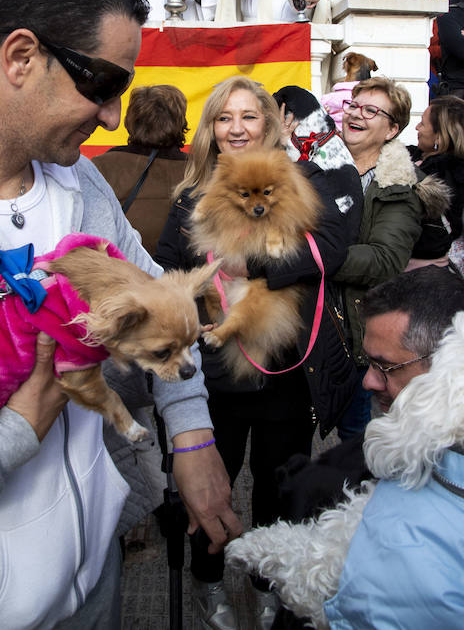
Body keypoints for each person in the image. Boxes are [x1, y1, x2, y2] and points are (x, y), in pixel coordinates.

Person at [0, 0, 240, 629]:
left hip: (93, 585)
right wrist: (14, 434)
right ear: (20, 56)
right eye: (102, 84)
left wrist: (191, 435)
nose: (112, 117)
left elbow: (164, 295)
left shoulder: (81, 184)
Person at [156, 77, 358, 630]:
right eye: (225, 117)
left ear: (268, 123)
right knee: (209, 483)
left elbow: (331, 249)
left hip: (284, 371)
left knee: (277, 482)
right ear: (212, 129)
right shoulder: (189, 196)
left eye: (249, 116)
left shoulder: (294, 181)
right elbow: (168, 273)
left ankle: (270, 578)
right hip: (214, 372)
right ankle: (208, 577)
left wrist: (257, 266)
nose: (237, 127)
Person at [323, 268, 464, 629]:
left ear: (449, 369)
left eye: (385, 367)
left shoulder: (409, 553)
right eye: (367, 363)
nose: (369, 381)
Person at [333, 77, 449, 438]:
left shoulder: (399, 184)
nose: (356, 115)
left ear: (392, 128)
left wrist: (311, 259)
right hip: (311, 329)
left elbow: (385, 259)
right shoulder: (319, 168)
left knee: (356, 437)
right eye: (353, 106)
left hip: (356, 332)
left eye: (371, 110)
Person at [92, 84, 188, 258]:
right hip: (182, 280)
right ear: (180, 121)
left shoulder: (101, 166)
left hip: (123, 276)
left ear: (131, 120)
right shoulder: (199, 170)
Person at [407, 96, 464, 269]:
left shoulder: (444, 176)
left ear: (439, 136)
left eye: (422, 124)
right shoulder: (417, 158)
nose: (417, 127)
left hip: (421, 273)